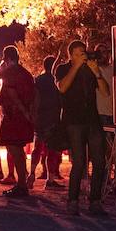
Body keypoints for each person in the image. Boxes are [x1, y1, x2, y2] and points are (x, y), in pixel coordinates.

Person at [55, 39, 110, 216]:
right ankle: (73, 201)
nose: (82, 57)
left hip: (92, 120)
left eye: (83, 53)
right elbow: (62, 88)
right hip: (74, 121)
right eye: (78, 54)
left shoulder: (90, 69)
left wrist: (97, 73)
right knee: (79, 162)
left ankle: (95, 201)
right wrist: (76, 66)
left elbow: (105, 92)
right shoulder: (63, 69)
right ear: (70, 56)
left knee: (100, 161)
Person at [0, 45, 35, 199]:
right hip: (22, 115)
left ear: (7, 58)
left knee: (15, 150)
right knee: (18, 149)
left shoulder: (9, 73)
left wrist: (23, 112)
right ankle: (21, 182)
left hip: (13, 116)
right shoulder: (26, 73)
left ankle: (21, 185)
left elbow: (11, 94)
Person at [29, 55, 64, 189]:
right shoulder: (56, 80)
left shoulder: (38, 80)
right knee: (52, 151)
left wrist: (34, 114)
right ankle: (50, 180)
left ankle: (31, 173)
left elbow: (34, 97)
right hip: (53, 118)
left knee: (37, 148)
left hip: (40, 118)